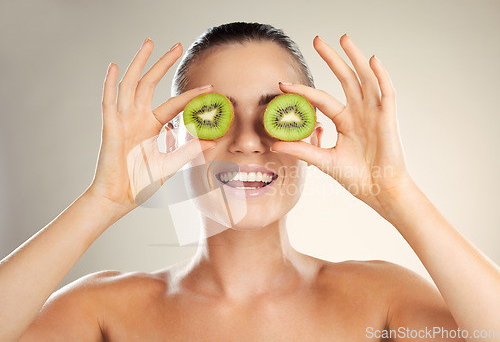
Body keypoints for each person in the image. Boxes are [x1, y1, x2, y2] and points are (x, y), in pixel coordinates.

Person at [0, 22, 499, 341]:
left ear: (314, 133)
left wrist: (397, 194)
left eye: (274, 114)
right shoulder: (105, 311)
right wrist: (102, 200)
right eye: (215, 115)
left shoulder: (379, 301)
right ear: (172, 140)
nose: (245, 141)